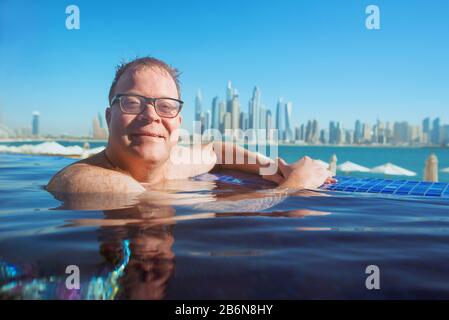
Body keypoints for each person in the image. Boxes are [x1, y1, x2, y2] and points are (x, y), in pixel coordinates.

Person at [46, 57, 334, 194]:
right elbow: (238, 208)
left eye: (166, 106)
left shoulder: (171, 164)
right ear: (109, 118)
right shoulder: (89, 182)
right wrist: (295, 185)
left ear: (178, 123)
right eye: (133, 102)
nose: (152, 116)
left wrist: (275, 169)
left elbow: (215, 151)